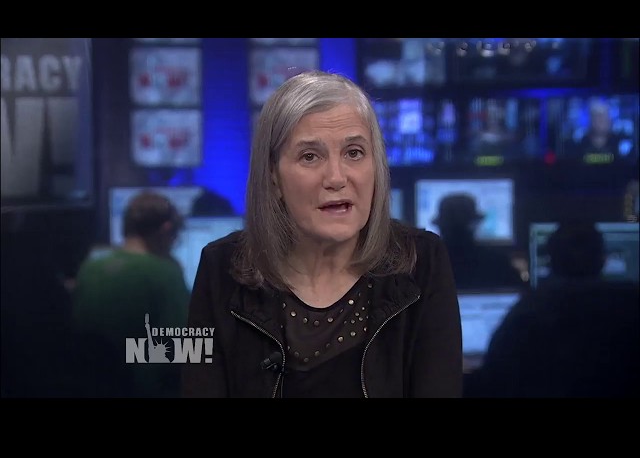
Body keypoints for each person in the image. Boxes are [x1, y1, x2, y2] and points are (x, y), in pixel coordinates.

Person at [181, 70, 463, 398]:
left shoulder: (421, 263)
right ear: (273, 176)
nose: (336, 178)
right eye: (310, 156)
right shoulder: (222, 269)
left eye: (354, 153)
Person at [464, 221, 639, 397]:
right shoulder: (631, 307)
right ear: (603, 260)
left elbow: (494, 379)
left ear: (550, 262)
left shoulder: (526, 314)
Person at [72, 191, 190, 398]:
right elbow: (183, 349)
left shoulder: (90, 268)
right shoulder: (164, 273)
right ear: (166, 230)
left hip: (89, 388)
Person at [434, 193, 524, 290]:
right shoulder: (498, 263)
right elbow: (520, 291)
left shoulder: (426, 264)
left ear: (441, 227)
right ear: (474, 225)